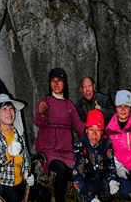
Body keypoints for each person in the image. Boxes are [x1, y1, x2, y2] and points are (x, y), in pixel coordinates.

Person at [0, 94, 51, 202]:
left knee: (44, 195)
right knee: (14, 198)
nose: (9, 112)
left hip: (20, 183)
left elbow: (25, 156)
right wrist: (8, 153)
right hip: (2, 186)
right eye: (4, 109)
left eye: (11, 108)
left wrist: (28, 175)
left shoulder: (18, 133)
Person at [35, 67, 85, 202]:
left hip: (66, 150)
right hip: (48, 148)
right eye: (53, 80)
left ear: (65, 83)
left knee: (76, 173)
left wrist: (94, 133)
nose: (56, 84)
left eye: (60, 80)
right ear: (49, 83)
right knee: (61, 168)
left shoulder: (69, 105)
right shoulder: (44, 100)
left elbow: (80, 128)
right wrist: (42, 113)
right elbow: (38, 122)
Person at [73, 110, 120, 202]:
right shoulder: (80, 145)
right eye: (91, 129)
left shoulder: (106, 143)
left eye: (98, 130)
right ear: (86, 130)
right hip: (87, 180)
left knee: (113, 190)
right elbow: (77, 175)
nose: (94, 134)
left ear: (102, 132)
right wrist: (90, 198)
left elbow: (111, 165)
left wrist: (112, 179)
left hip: (103, 179)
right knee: (82, 197)